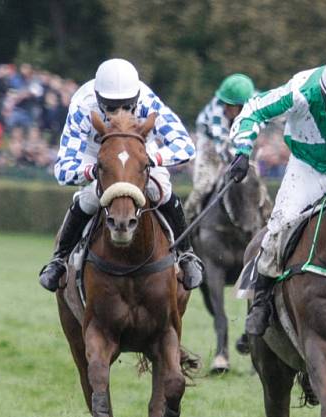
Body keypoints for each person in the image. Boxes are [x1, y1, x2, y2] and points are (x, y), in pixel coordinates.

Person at [226, 57, 326, 335]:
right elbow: (254, 108)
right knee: (280, 223)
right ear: (325, 95)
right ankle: (262, 301)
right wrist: (242, 150)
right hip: (307, 168)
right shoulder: (301, 91)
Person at [38, 58, 203, 292]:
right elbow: (63, 168)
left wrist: (149, 161)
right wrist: (93, 170)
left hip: (138, 156)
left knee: (160, 190)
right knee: (89, 198)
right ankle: (60, 259)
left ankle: (186, 254)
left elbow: (185, 145)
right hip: (98, 157)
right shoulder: (82, 106)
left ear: (135, 98)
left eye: (127, 106)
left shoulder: (147, 100)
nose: (120, 114)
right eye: (112, 107)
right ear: (98, 99)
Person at [184, 73, 256, 222]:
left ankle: (266, 217)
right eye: (224, 103)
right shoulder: (217, 114)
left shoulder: (255, 101)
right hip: (210, 146)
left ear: (243, 106)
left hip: (235, 143)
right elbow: (222, 146)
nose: (226, 107)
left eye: (230, 105)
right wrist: (235, 163)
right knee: (203, 186)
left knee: (255, 180)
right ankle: (185, 220)